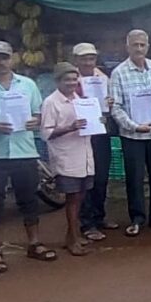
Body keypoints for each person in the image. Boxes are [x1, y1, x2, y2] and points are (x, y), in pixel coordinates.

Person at [0, 40, 49, 268]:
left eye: (5, 57)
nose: (1, 62)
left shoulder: (27, 85)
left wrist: (35, 121)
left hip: (23, 151)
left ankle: (34, 243)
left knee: (29, 199)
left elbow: (39, 114)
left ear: (12, 58)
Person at [109, 29, 151, 236]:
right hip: (133, 135)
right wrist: (134, 126)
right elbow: (115, 107)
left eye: (142, 45)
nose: (138, 49)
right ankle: (137, 218)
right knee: (135, 178)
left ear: (148, 47)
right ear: (127, 47)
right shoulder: (118, 73)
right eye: (134, 45)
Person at [40, 63, 96, 257]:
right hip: (66, 156)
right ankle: (73, 237)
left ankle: (72, 236)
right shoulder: (51, 102)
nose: (72, 83)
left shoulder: (79, 99)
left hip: (84, 154)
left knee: (80, 196)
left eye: (74, 79)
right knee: (72, 199)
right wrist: (71, 127)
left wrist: (97, 120)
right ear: (57, 81)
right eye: (67, 79)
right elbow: (46, 133)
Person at [72, 43, 117, 241]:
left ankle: (99, 217)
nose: (88, 62)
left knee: (101, 176)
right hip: (80, 135)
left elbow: (110, 103)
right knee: (86, 178)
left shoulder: (103, 78)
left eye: (91, 58)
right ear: (76, 60)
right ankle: (86, 222)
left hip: (100, 132)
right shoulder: (72, 80)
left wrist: (109, 103)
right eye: (84, 58)